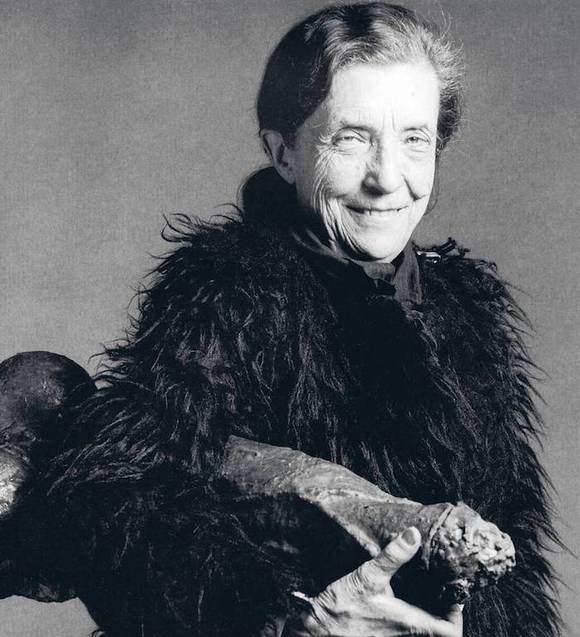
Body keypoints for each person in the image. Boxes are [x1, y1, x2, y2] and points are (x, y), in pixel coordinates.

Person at [0, 3, 560, 636]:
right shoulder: (226, 294)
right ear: (284, 152)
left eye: (415, 139)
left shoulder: (467, 311)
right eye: (351, 138)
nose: (387, 178)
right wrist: (289, 620)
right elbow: (120, 506)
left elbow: (515, 560)